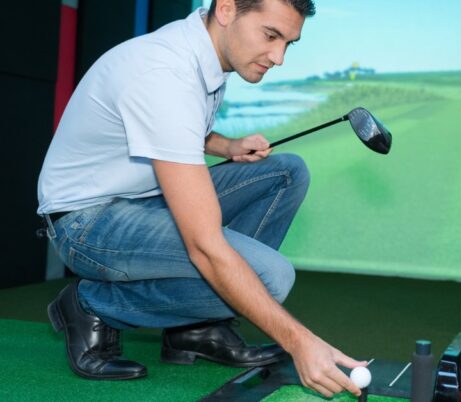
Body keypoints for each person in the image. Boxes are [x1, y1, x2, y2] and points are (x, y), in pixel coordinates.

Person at [37, 0, 365, 397]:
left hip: (143, 200)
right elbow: (204, 245)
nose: (278, 57)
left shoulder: (204, 52)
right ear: (226, 9)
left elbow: (170, 125)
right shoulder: (165, 71)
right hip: (86, 223)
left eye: (288, 43)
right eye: (270, 35)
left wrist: (225, 145)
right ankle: (91, 304)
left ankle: (196, 329)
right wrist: (299, 341)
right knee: (270, 276)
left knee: (286, 171)